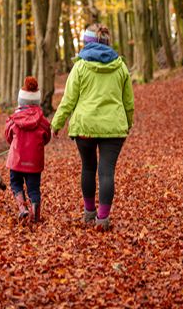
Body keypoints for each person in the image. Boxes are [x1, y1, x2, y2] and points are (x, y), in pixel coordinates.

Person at [50, 23, 134, 231]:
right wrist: (127, 124)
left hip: (85, 127)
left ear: (86, 43)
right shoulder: (121, 66)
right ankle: (102, 219)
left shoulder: (80, 67)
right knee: (107, 172)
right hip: (114, 128)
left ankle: (89, 213)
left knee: (88, 168)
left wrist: (56, 124)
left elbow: (68, 100)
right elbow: (128, 102)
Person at [4, 76, 52, 223]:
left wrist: (14, 142)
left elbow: (8, 136)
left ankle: (22, 208)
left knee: (15, 183)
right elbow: (47, 137)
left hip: (16, 160)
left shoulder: (14, 119)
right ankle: (35, 211)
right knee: (34, 188)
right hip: (34, 162)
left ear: (21, 100)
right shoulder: (42, 121)